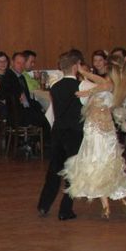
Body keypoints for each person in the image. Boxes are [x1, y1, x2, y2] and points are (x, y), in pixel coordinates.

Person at [59, 55, 126, 219]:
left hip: (96, 129)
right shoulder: (117, 84)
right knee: (108, 163)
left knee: (96, 162)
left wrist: (85, 91)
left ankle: (107, 206)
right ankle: (121, 200)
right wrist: (84, 72)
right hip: (105, 129)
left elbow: (99, 86)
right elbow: (100, 82)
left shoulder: (108, 85)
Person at [37, 49, 87, 220]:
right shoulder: (80, 86)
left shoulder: (55, 87)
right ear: (75, 67)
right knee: (72, 172)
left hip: (58, 131)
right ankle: (65, 210)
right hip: (74, 133)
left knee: (54, 170)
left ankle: (44, 205)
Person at [0, 52, 50, 144]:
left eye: (23, 63)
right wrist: (18, 96)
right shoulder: (9, 77)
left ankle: (34, 144)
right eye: (18, 63)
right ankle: (40, 146)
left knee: (43, 114)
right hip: (16, 114)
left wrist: (39, 106)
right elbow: (2, 94)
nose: (21, 66)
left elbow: (26, 98)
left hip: (22, 110)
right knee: (45, 120)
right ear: (12, 62)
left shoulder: (20, 77)